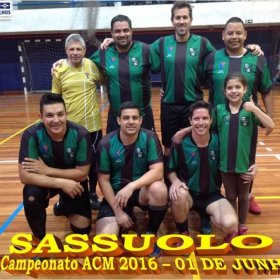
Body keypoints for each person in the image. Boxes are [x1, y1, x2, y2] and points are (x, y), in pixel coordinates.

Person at [203, 17, 274, 215]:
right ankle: (215, 198)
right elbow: (197, 81)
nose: (234, 37)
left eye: (238, 33)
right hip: (218, 121)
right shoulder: (212, 58)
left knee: (246, 159)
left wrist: (270, 116)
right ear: (223, 35)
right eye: (230, 33)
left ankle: (247, 195)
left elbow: (267, 89)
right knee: (216, 159)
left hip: (246, 123)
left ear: (245, 35)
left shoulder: (257, 58)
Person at [95, 101, 169, 257]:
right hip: (116, 195)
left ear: (141, 120)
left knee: (159, 189)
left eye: (135, 118)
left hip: (140, 191)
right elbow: (103, 181)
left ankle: (151, 234)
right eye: (126, 118)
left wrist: (131, 187)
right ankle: (125, 215)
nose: (131, 122)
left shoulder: (149, 138)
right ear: (118, 120)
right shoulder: (106, 144)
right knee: (105, 244)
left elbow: (157, 172)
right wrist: (118, 212)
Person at [19, 93, 92, 247]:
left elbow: (82, 173)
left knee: (82, 231)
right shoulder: (31, 135)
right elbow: (25, 177)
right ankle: (40, 241)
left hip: (74, 182)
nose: (56, 120)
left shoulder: (81, 134)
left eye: (60, 114)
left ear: (66, 114)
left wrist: (46, 170)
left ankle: (63, 204)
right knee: (31, 196)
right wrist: (61, 183)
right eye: (49, 115)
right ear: (41, 117)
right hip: (55, 183)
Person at [211, 72, 274, 240]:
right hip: (225, 164)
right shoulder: (219, 110)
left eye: (238, 87)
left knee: (244, 197)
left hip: (244, 164)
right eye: (230, 88)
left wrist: (255, 109)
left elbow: (271, 125)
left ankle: (242, 226)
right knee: (230, 196)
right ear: (224, 91)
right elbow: (204, 128)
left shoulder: (250, 110)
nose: (234, 91)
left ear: (245, 89)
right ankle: (233, 229)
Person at [167, 100, 238, 243]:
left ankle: (206, 215)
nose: (201, 122)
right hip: (189, 194)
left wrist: (252, 166)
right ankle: (183, 232)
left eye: (205, 118)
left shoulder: (219, 140)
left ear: (211, 120)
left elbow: (242, 145)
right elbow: (170, 170)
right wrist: (175, 181)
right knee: (177, 194)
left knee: (230, 225)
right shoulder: (180, 143)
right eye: (196, 119)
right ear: (190, 120)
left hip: (212, 195)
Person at [52, 33, 106, 210]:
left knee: (91, 164)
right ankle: (64, 197)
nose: (75, 52)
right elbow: (55, 99)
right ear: (66, 50)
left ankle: (91, 194)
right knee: (67, 163)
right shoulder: (59, 70)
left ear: (84, 50)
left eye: (78, 49)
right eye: (71, 49)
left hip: (92, 127)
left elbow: (105, 80)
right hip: (68, 128)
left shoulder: (92, 65)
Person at [90, 14, 160, 133]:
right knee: (115, 150)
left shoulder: (146, 50)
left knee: (145, 149)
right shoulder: (103, 53)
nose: (122, 34)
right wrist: (64, 62)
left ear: (131, 31)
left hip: (142, 116)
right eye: (117, 31)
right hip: (116, 117)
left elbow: (164, 67)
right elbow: (82, 64)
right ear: (111, 33)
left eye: (125, 30)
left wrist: (167, 90)